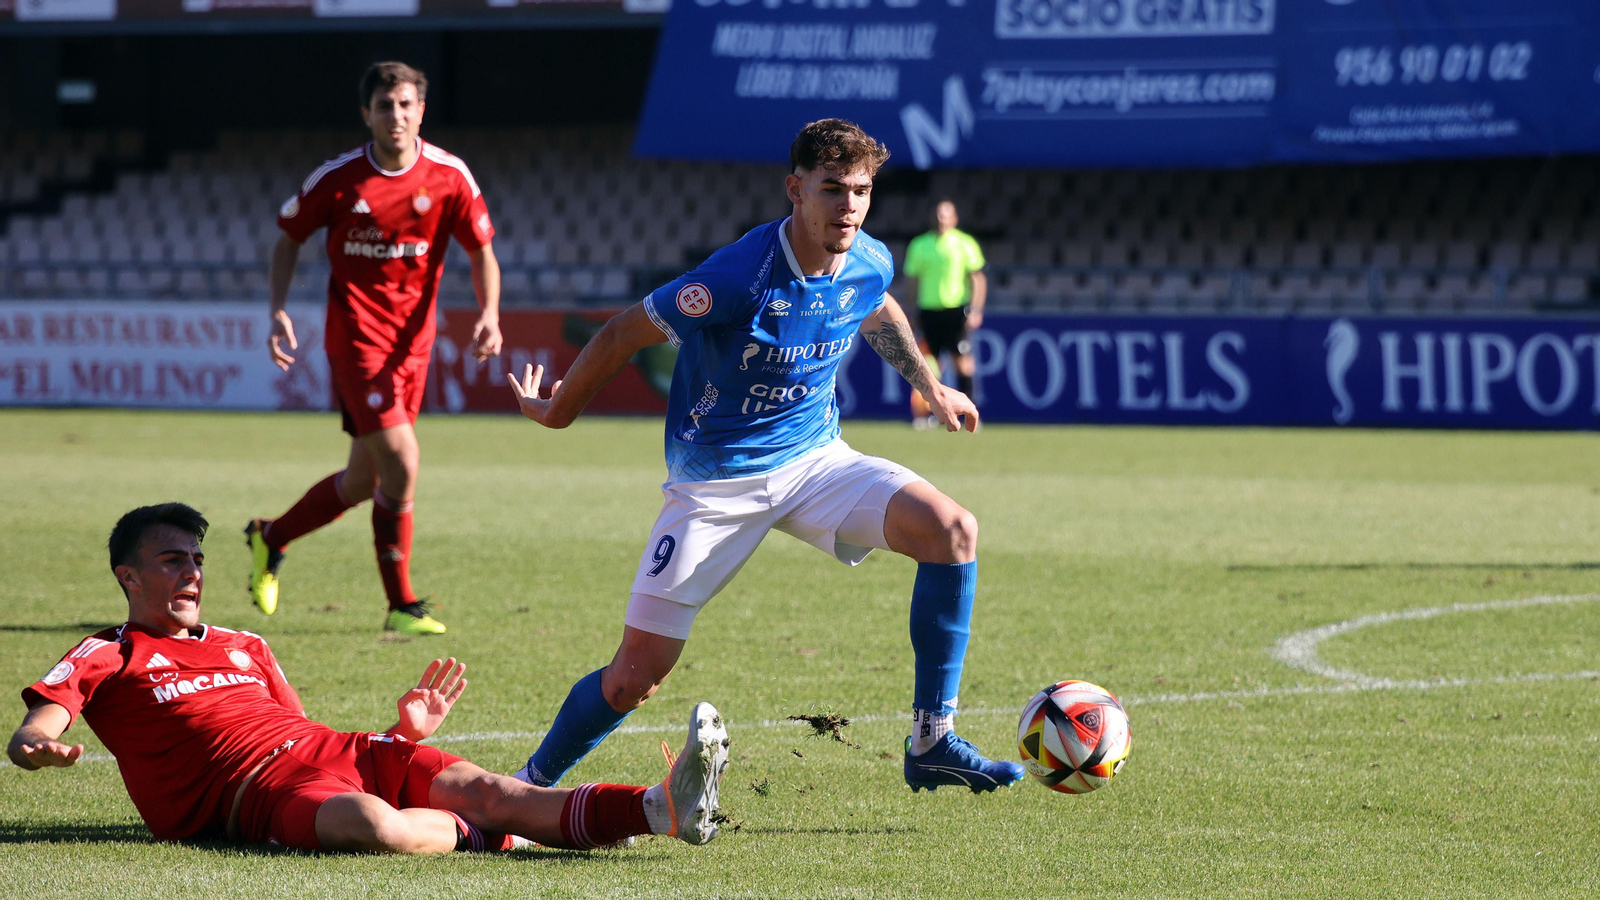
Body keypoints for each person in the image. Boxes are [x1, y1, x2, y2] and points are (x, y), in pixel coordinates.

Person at [504, 119, 1024, 794]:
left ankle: (931, 741)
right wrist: (559, 410)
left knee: (951, 529)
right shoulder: (737, 276)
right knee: (634, 677)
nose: (849, 207)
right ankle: (523, 790)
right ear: (795, 190)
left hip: (816, 462)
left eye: (861, 191)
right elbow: (623, 332)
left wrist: (930, 384)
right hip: (715, 484)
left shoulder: (869, 259)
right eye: (831, 189)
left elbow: (877, 308)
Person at [8, 503, 731, 852]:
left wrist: (399, 734)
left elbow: (304, 733)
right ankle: (496, 836)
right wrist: (39, 745)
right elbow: (38, 724)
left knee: (497, 792)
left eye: (197, 560)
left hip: (338, 753)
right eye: (173, 561)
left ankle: (659, 808)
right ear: (128, 576)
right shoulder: (110, 652)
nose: (192, 572)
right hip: (254, 794)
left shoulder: (245, 644)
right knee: (373, 825)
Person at [247, 61, 504, 635]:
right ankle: (401, 605)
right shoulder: (337, 179)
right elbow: (288, 239)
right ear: (366, 114)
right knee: (403, 463)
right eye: (385, 106)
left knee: (363, 481)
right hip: (357, 343)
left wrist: (489, 313)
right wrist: (277, 309)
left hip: (414, 349)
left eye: (406, 104)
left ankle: (270, 537)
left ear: (421, 111)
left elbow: (481, 251)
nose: (396, 115)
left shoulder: (450, 176)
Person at [901, 199, 986, 427]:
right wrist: (911, 309)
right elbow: (911, 280)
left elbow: (977, 278)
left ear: (954, 218)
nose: (941, 219)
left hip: (956, 311)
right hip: (929, 311)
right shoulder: (919, 245)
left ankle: (968, 413)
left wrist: (976, 310)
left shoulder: (965, 243)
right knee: (930, 365)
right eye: (938, 214)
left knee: (962, 361)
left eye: (946, 215)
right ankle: (929, 415)